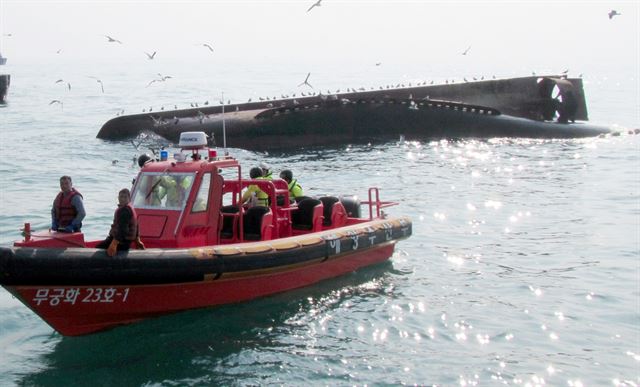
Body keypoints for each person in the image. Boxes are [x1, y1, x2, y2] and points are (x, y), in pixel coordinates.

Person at [97, 188, 145, 257]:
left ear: (129, 198)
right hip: (126, 242)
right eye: (121, 197)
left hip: (121, 243)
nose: (122, 199)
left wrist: (114, 244)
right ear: (118, 198)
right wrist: (137, 240)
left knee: (96, 249)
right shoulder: (130, 208)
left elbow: (123, 230)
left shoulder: (125, 210)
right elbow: (136, 225)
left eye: (125, 197)